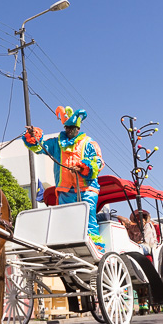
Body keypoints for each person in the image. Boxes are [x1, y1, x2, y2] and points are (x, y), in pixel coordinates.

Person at [23, 106, 105, 251]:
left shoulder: (89, 143)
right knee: (66, 220)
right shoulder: (56, 143)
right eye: (67, 127)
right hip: (65, 190)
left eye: (71, 128)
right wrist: (33, 135)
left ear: (77, 128)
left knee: (88, 218)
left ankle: (97, 248)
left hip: (86, 189)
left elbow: (98, 162)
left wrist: (82, 167)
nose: (68, 130)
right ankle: (71, 248)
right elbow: (40, 147)